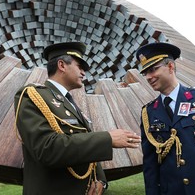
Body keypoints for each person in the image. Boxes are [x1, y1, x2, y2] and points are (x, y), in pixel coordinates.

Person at [14, 42, 141, 195]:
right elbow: (46, 149)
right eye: (80, 67)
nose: (83, 73)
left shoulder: (68, 102)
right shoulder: (34, 96)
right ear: (61, 65)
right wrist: (107, 139)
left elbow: (85, 144)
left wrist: (100, 180)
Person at [136, 42, 195, 195]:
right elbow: (150, 166)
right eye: (145, 72)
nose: (148, 77)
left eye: (153, 69)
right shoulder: (148, 113)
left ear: (170, 67)